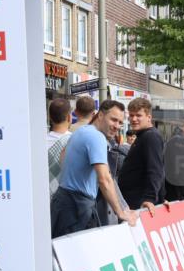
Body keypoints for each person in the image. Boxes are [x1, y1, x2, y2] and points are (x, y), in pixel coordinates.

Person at [50, 100, 138, 237]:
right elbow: (105, 180)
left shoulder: (82, 131)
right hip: (76, 208)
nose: (117, 126)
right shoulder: (96, 137)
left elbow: (63, 157)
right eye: (114, 120)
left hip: (66, 202)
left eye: (120, 122)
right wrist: (120, 212)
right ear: (100, 115)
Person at [117, 97, 165, 210]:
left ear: (149, 117)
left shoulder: (150, 136)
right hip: (133, 201)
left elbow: (155, 170)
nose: (134, 119)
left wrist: (149, 199)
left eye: (138, 115)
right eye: (131, 115)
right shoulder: (143, 136)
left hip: (140, 204)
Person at [47, 98, 72, 188]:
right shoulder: (75, 140)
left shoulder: (40, 143)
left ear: (49, 117)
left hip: (46, 195)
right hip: (67, 196)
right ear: (69, 117)